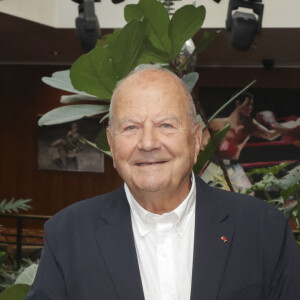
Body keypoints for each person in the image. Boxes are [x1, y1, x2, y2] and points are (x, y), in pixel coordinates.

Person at [26, 69, 300, 300]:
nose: (147, 143)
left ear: (195, 139)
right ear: (111, 143)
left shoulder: (264, 229)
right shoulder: (67, 235)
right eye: (131, 127)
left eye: (166, 125)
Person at [201, 92, 281, 192]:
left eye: (251, 105)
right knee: (200, 191)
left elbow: (270, 135)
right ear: (238, 103)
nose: (250, 108)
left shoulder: (250, 125)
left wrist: (284, 126)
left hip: (233, 167)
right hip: (213, 165)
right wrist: (216, 147)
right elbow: (202, 143)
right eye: (248, 104)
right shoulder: (217, 124)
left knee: (248, 194)